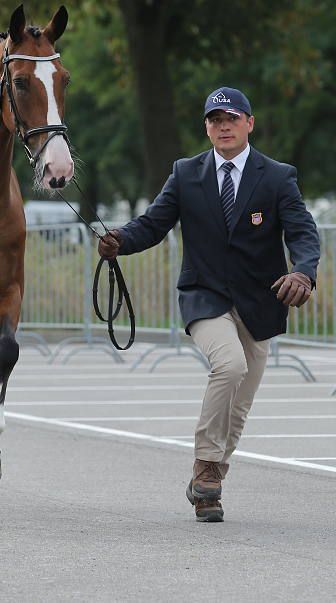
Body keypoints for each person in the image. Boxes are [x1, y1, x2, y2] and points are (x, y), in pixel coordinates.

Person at [98, 87, 320, 522]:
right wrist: (119, 241)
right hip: (205, 297)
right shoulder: (185, 173)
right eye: (215, 119)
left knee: (238, 407)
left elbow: (303, 234)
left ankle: (208, 489)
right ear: (206, 127)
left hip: (261, 301)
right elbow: (152, 224)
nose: (224, 126)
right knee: (230, 366)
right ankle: (205, 465)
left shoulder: (277, 176)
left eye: (232, 118)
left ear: (249, 123)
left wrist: (304, 271)